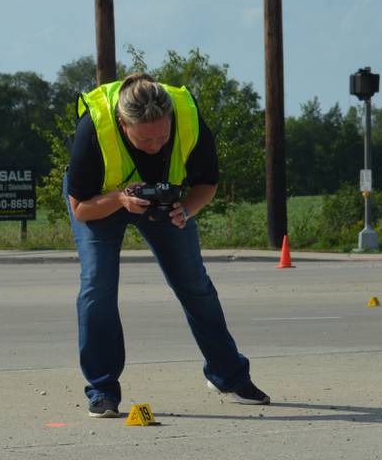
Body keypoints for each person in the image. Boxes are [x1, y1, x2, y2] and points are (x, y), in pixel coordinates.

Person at [64, 72, 269, 418]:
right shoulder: (93, 128)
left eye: (163, 135)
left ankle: (229, 375)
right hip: (102, 201)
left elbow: (206, 183)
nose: (157, 145)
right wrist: (119, 198)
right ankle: (102, 389)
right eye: (145, 140)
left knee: (194, 283)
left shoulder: (188, 116)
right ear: (122, 124)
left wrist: (185, 210)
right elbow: (81, 209)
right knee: (97, 285)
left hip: (162, 199)